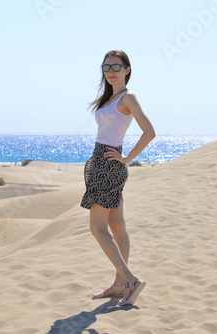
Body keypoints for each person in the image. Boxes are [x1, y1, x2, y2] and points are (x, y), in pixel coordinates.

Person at [80, 50, 156, 306]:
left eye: (116, 66)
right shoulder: (109, 99)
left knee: (97, 228)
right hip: (103, 160)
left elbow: (149, 132)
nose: (110, 71)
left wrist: (127, 158)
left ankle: (128, 278)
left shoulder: (128, 97)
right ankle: (118, 285)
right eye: (106, 67)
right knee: (117, 226)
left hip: (110, 162)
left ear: (127, 69)